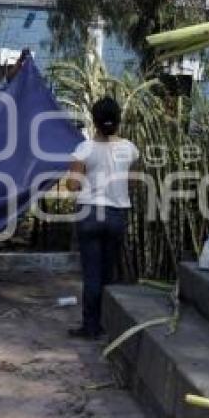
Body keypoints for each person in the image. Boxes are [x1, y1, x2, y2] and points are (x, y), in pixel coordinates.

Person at [66, 96, 139, 339]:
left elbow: (74, 185)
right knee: (107, 274)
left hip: (89, 215)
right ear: (118, 121)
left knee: (92, 275)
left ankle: (90, 327)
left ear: (94, 121)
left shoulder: (83, 149)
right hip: (116, 215)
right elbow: (133, 182)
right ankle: (109, 325)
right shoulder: (129, 148)